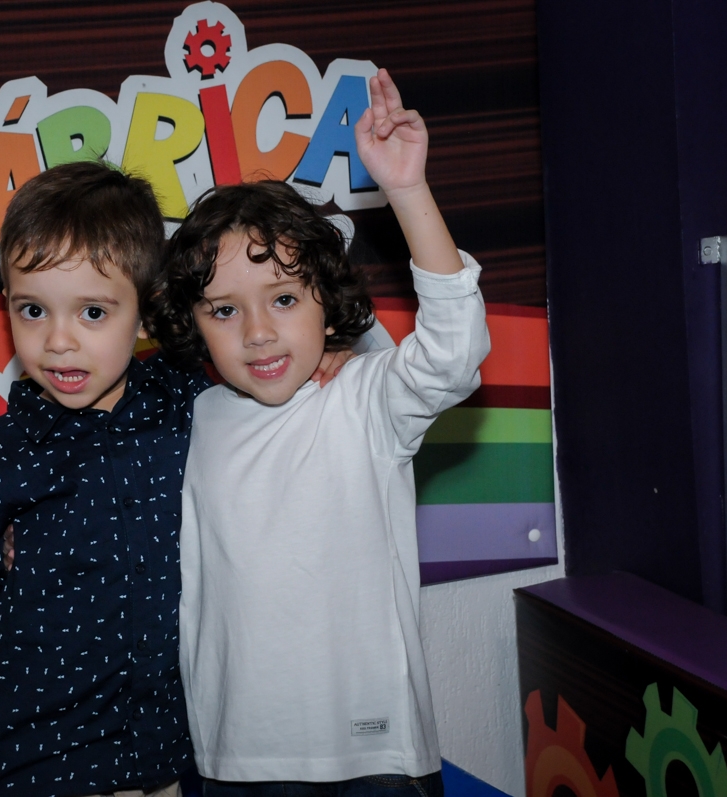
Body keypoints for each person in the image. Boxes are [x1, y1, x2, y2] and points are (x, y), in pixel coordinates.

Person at [0, 161, 347, 797]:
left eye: (92, 312)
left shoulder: (195, 405)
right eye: (33, 310)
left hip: (169, 754)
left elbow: (269, 364)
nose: (58, 341)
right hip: (31, 757)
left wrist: (321, 358)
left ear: (145, 315)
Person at [149, 69, 490, 797]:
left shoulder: (365, 397)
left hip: (373, 754)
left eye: (282, 298)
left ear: (323, 304)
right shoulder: (193, 418)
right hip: (233, 755)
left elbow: (454, 352)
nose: (260, 331)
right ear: (192, 323)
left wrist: (406, 190)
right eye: (223, 310)